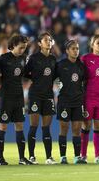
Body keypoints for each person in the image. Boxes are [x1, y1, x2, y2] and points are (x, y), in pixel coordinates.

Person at [0, 34, 31, 165]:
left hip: (18, 96)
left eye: (25, 48)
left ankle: (22, 158)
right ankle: (0, 159)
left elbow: (27, 74)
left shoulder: (23, 59)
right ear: (13, 45)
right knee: (3, 126)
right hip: (5, 96)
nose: (23, 50)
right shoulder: (3, 59)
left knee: (20, 125)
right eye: (21, 47)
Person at [25, 32, 58, 165]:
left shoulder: (53, 59)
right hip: (35, 95)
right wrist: (36, 79)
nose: (48, 42)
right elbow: (25, 72)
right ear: (39, 43)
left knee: (46, 128)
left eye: (50, 40)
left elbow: (55, 75)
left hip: (48, 95)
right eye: (45, 40)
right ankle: (32, 156)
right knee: (33, 126)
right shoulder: (33, 58)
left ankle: (49, 157)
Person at [80, 34, 99, 164]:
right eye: (98, 42)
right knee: (86, 125)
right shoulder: (85, 59)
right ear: (92, 45)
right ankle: (83, 155)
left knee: (98, 127)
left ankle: (98, 156)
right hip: (88, 97)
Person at [56, 40, 87, 164]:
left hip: (77, 101)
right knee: (64, 129)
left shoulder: (81, 66)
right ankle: (63, 157)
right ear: (67, 51)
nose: (76, 51)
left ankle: (76, 157)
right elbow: (52, 78)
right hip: (64, 101)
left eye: (77, 48)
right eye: (73, 49)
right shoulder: (61, 65)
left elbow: (84, 82)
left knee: (77, 130)